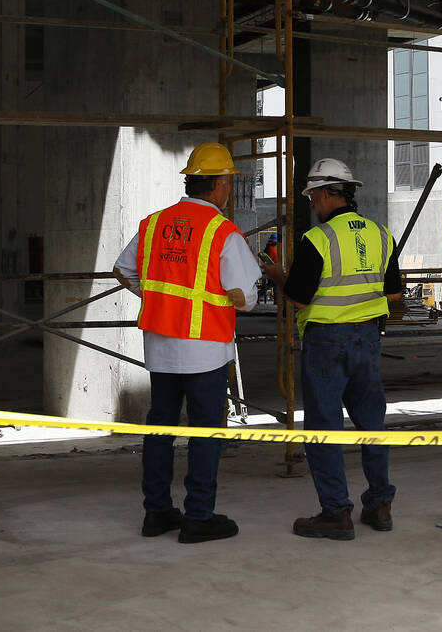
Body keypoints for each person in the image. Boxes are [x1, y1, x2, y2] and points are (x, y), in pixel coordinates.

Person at [113, 142, 260, 544]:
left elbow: (122, 270)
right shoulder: (221, 232)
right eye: (228, 181)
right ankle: (198, 516)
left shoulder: (154, 224)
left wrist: (160, 299)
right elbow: (245, 295)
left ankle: (156, 512)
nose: (228, 188)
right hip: (205, 347)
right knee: (206, 430)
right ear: (219, 184)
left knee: (159, 428)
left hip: (160, 346)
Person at [261, 157, 402, 541]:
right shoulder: (380, 233)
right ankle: (380, 504)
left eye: (312, 198)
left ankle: (336, 513)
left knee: (324, 426)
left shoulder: (318, 239)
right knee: (372, 424)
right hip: (368, 340)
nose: (312, 204)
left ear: (325, 194)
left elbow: (300, 299)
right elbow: (394, 293)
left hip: (327, 341)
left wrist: (277, 277)